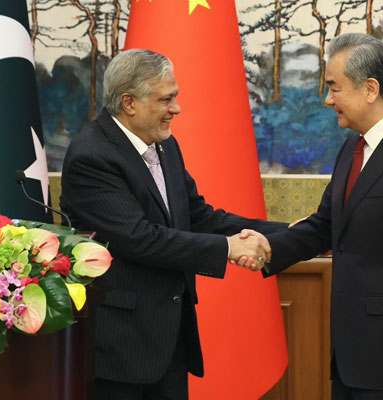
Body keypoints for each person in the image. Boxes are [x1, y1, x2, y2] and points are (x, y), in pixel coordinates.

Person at [60, 49, 285, 400]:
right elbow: (139, 238)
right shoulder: (92, 155)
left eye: (174, 97)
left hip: (170, 340)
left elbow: (199, 217)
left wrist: (289, 232)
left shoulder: (165, 146)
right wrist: (228, 248)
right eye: (166, 99)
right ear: (129, 103)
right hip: (119, 349)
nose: (176, 108)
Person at [243, 33, 383, 400]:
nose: (328, 100)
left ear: (370, 89)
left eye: (334, 88)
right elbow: (326, 225)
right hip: (351, 354)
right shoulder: (353, 147)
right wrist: (268, 246)